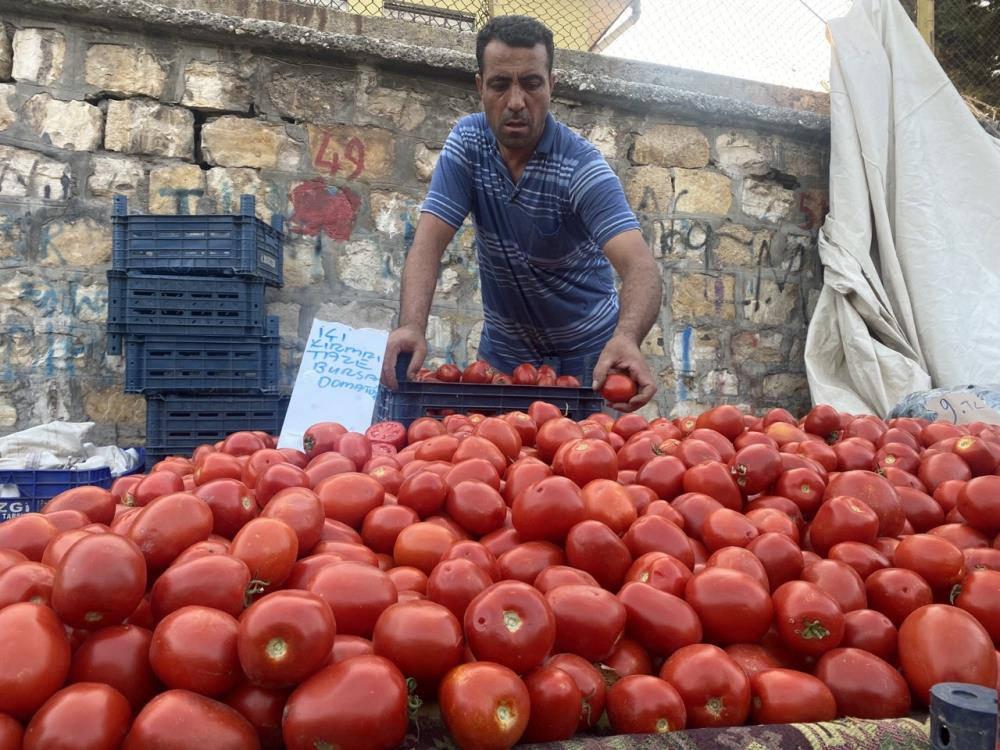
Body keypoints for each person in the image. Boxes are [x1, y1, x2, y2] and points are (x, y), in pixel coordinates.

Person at [380, 14, 663, 412]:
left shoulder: (581, 169)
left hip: (587, 361)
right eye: (499, 84)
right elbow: (427, 245)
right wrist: (411, 325)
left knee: (580, 470)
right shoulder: (468, 145)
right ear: (480, 87)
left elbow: (641, 268)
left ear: (551, 86)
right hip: (504, 357)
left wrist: (628, 338)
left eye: (531, 83)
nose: (516, 102)